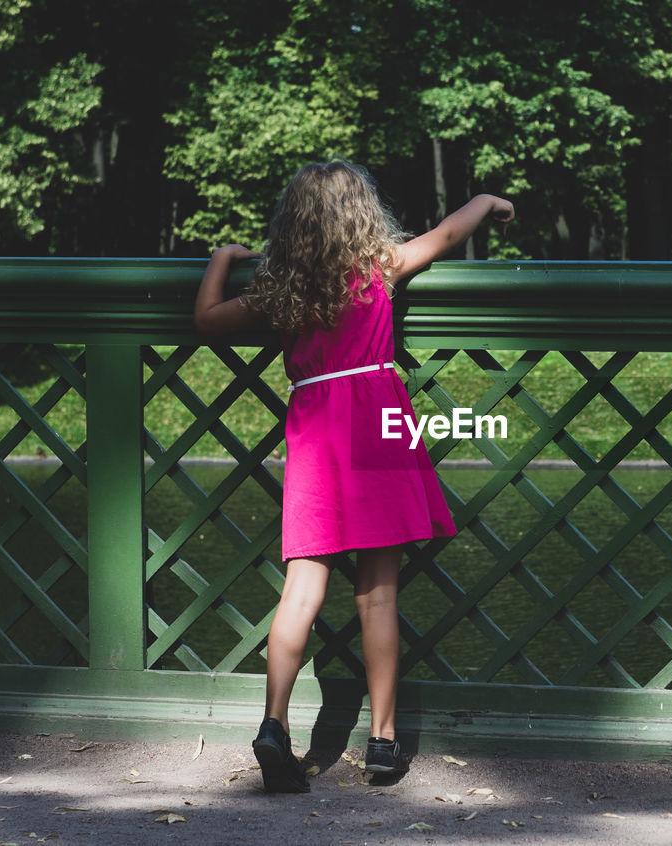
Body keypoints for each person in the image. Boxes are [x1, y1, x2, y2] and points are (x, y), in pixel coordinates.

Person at [194, 160, 514, 793]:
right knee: (378, 594)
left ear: (292, 225)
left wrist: (221, 257)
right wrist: (484, 201)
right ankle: (384, 742)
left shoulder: (279, 290)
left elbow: (205, 321)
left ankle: (274, 726)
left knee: (302, 589)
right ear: (361, 213)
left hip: (315, 430)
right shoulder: (378, 269)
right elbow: (448, 234)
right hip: (377, 422)